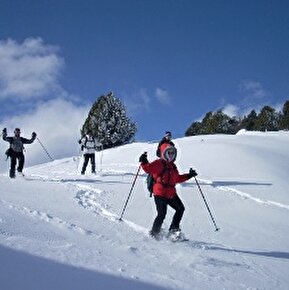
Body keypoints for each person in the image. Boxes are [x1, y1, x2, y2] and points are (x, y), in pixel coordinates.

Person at [139, 143, 197, 240]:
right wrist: (144, 161)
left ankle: (173, 231)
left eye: (172, 153)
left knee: (180, 209)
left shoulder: (173, 167)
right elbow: (148, 169)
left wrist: (189, 175)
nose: (171, 154)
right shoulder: (159, 163)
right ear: (164, 153)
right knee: (162, 214)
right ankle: (154, 233)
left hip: (171, 193)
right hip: (160, 193)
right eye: (168, 152)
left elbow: (177, 178)